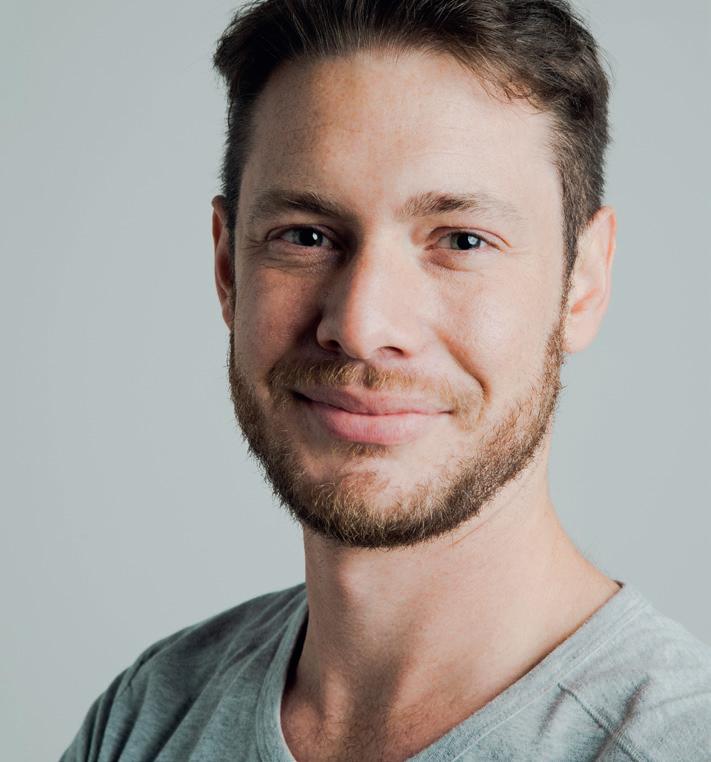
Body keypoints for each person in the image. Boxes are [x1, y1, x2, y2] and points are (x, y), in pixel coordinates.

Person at [60, 1, 711, 760]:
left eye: (462, 240)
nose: (363, 325)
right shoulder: (150, 712)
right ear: (227, 267)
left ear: (583, 284)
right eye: (305, 236)